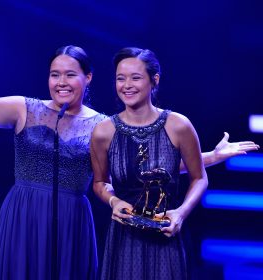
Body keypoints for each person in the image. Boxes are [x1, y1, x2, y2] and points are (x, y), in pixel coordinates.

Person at [0, 19, 259, 280]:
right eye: (55, 74)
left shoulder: (103, 126)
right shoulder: (23, 108)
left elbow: (149, 168)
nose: (61, 82)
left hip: (73, 221)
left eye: (70, 74)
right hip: (22, 215)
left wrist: (212, 156)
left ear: (87, 78)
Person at [90, 47, 227, 280]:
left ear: (154, 80)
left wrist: (181, 213)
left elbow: (199, 177)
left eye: (135, 77)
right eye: (120, 78)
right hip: (124, 240)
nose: (127, 85)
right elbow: (100, 182)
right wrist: (113, 201)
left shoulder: (178, 125)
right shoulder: (103, 131)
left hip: (167, 235)